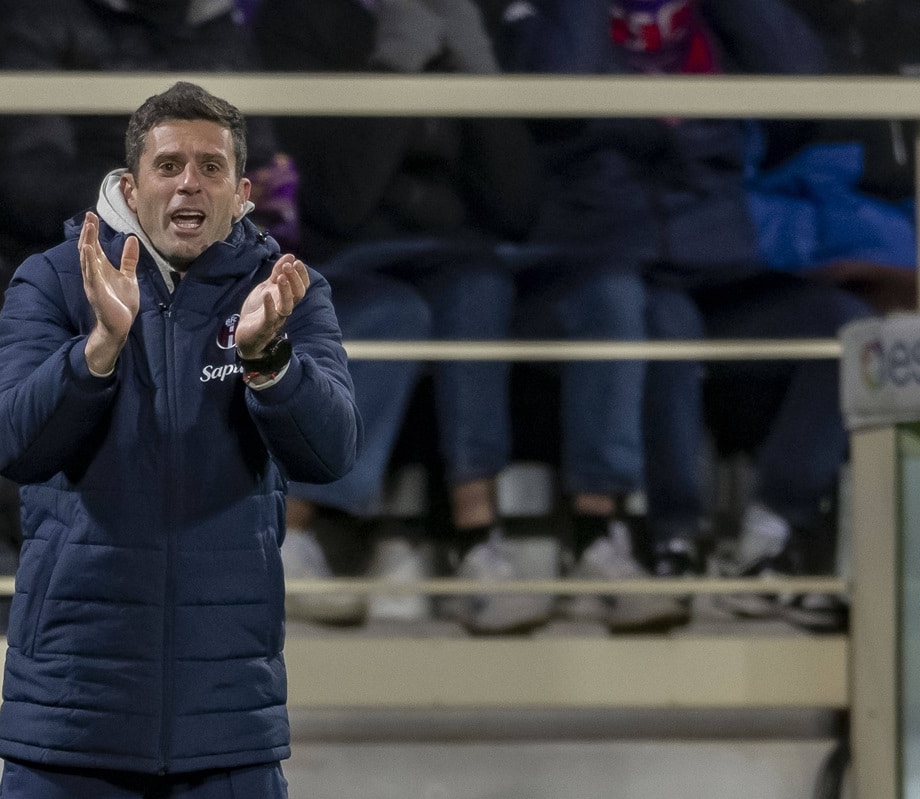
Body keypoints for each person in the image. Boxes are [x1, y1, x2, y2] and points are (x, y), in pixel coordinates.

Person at [0, 81, 361, 798]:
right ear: (131, 186)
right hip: (69, 720)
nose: (190, 182)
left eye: (211, 167)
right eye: (169, 165)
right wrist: (97, 350)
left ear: (241, 193)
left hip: (227, 727)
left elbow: (332, 452)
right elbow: (9, 443)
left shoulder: (283, 290)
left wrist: (268, 361)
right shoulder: (56, 281)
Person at [491, 0, 873, 632]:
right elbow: (556, 99)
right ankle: (671, 541)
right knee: (666, 322)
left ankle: (770, 535)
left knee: (846, 329)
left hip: (719, 261)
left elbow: (803, 81)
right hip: (602, 263)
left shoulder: (708, 18)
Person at [252, 0, 551, 634]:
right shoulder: (296, 20)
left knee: (480, 289)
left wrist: (480, 75)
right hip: (338, 254)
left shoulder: (461, 17)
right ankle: (289, 536)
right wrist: (396, 66)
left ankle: (478, 545)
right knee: (396, 312)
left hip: (451, 251)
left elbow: (517, 204)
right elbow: (339, 201)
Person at [0, 0, 299, 297]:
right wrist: (156, 203)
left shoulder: (221, 25)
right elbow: (26, 185)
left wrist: (266, 190)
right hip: (73, 261)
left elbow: (257, 157)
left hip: (215, 261)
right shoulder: (31, 16)